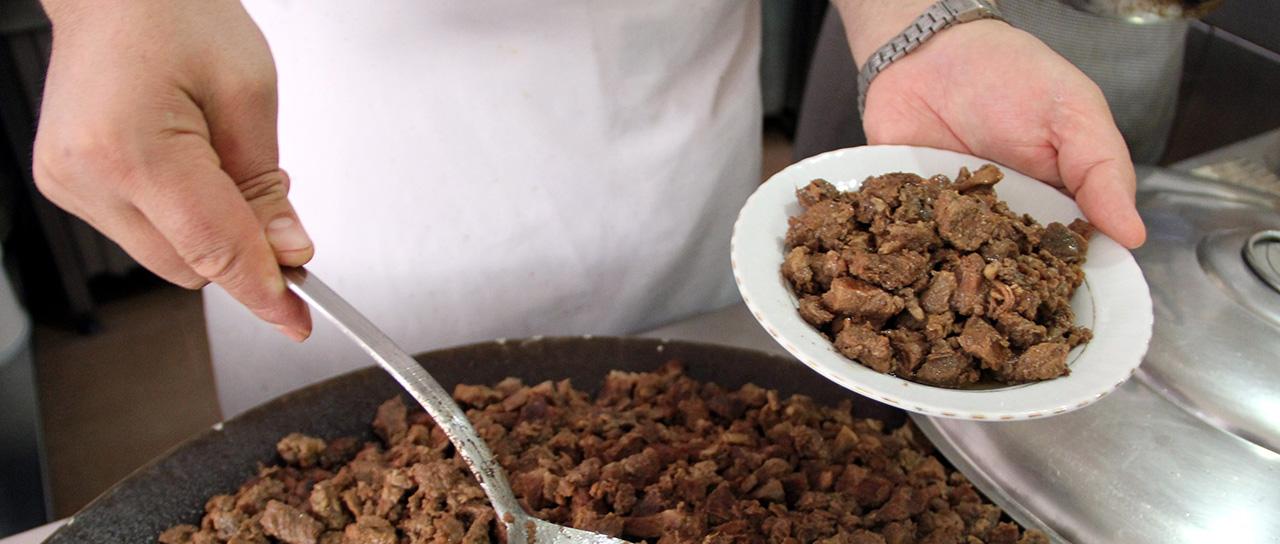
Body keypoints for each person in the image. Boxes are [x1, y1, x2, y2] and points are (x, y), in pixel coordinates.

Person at [31, 0, 1146, 417]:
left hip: (670, 154)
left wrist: (917, 21)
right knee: (341, 474)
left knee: (701, 420)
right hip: (340, 161)